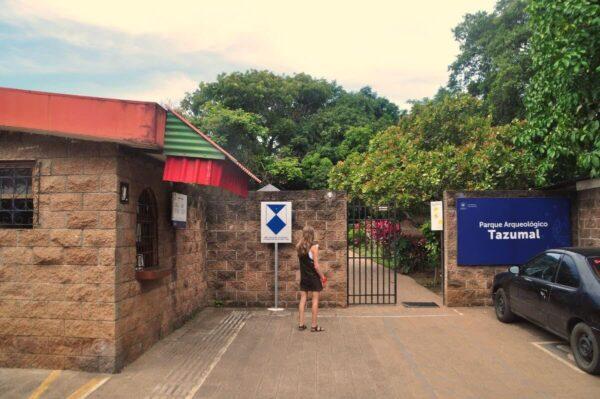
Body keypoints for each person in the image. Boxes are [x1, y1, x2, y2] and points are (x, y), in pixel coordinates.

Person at [296, 226, 326, 332]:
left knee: (303, 299)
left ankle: (301, 324)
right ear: (312, 234)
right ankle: (314, 326)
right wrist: (322, 277)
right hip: (313, 277)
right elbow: (316, 266)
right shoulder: (314, 247)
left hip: (304, 277)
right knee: (315, 300)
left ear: (303, 234)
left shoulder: (299, 247)